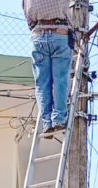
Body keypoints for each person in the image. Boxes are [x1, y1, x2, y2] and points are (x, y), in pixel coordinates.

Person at [22, 0, 73, 135]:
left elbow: (27, 15)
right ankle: (59, 120)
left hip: (38, 36)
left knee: (42, 84)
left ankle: (46, 123)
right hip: (59, 34)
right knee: (60, 81)